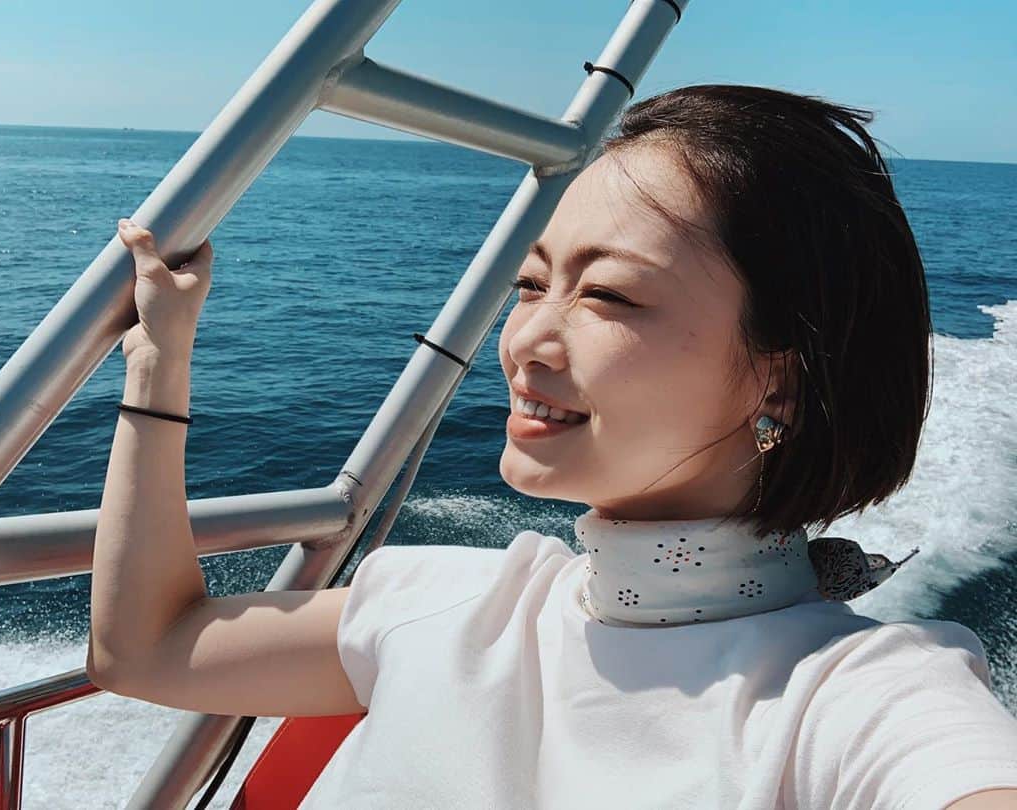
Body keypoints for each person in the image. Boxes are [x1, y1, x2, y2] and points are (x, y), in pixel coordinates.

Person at [86, 85, 1017, 809]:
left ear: (780, 380)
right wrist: (160, 366)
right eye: (532, 285)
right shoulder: (446, 603)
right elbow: (146, 648)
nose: (525, 339)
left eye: (607, 294)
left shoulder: (860, 700)